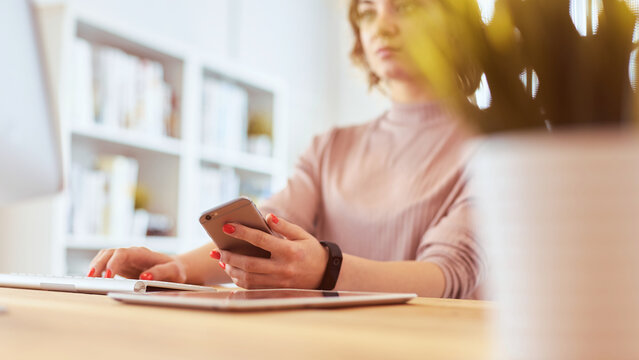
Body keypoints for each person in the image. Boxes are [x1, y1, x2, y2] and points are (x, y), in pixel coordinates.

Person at [87, 0, 484, 299]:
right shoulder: (331, 146)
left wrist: (326, 270)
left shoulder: (494, 147)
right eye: (366, 12)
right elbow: (271, 224)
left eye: (406, 6)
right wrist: (178, 268)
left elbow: (448, 275)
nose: (382, 26)